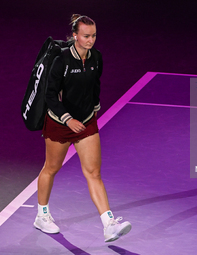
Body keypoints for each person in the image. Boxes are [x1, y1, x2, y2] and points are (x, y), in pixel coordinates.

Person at [33, 14, 131, 242]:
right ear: (75, 35)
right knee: (51, 168)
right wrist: (67, 119)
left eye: (94, 35)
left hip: (86, 121)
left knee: (94, 173)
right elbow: (49, 96)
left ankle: (109, 224)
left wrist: (94, 108)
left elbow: (95, 84)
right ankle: (42, 215)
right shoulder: (62, 60)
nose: (91, 40)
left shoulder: (97, 57)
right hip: (60, 122)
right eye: (86, 36)